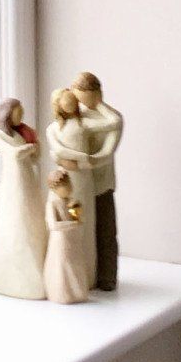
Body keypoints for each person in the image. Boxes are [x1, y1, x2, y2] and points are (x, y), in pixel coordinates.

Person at [0, 98, 47, 299]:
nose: (21, 116)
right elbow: (13, 153)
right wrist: (26, 149)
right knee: (16, 219)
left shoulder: (23, 132)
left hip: (28, 178)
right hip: (14, 182)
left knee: (33, 219)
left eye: (22, 111)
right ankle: (11, 278)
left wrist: (36, 147)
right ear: (7, 113)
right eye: (17, 112)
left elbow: (35, 159)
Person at [71, 71, 123, 291]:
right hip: (77, 186)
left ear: (96, 94)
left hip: (101, 185)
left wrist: (88, 161)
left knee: (105, 232)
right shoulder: (76, 117)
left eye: (84, 96)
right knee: (77, 227)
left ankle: (107, 276)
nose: (80, 102)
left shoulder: (110, 118)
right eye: (77, 97)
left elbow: (107, 151)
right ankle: (80, 275)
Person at [46, 88, 97, 288]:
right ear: (57, 105)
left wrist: (80, 163)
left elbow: (62, 154)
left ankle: (87, 276)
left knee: (84, 220)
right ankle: (68, 278)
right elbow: (58, 151)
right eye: (65, 103)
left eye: (71, 102)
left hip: (83, 178)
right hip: (66, 178)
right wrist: (82, 159)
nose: (69, 106)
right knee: (66, 210)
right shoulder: (53, 129)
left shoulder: (82, 125)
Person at [42, 168, 92, 304]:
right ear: (55, 188)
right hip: (60, 242)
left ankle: (76, 293)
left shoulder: (70, 201)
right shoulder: (52, 204)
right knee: (63, 266)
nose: (70, 187)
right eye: (65, 185)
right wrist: (72, 224)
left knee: (75, 264)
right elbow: (53, 225)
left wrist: (77, 213)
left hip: (72, 240)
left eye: (70, 184)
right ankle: (61, 293)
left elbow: (79, 219)